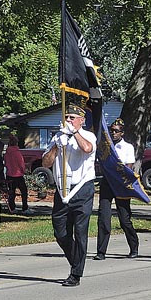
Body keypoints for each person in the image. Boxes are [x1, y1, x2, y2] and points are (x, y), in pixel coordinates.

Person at [41, 103, 97, 286]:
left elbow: (87, 149)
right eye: (67, 118)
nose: (68, 121)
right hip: (63, 189)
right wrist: (57, 146)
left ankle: (76, 274)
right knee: (60, 232)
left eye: (72, 118)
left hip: (82, 188)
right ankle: (76, 260)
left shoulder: (88, 135)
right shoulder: (57, 137)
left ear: (82, 120)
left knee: (80, 232)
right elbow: (46, 162)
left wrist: (74, 133)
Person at [94, 118, 140, 260]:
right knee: (103, 218)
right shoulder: (105, 147)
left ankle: (134, 247)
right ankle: (101, 252)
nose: (113, 133)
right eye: (111, 130)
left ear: (122, 133)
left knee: (124, 220)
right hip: (107, 184)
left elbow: (129, 168)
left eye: (116, 131)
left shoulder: (128, 147)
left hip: (121, 185)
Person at [3, 133, 29, 214]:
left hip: (9, 175)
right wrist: (24, 170)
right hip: (18, 175)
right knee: (24, 191)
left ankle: (12, 208)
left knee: (11, 192)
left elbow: (6, 163)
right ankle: (24, 208)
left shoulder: (7, 152)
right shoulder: (17, 152)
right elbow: (21, 163)